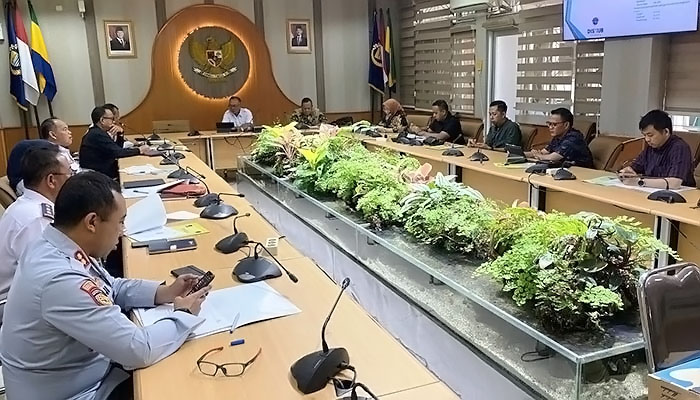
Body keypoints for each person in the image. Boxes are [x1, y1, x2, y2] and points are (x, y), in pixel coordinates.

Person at [0, 171, 210, 400]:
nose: (122, 231)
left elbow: (110, 287)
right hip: (80, 392)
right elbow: (138, 350)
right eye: (120, 222)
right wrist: (183, 314)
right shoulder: (60, 279)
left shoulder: (55, 243)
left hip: (86, 375)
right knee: (188, 380)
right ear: (92, 222)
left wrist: (164, 292)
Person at [0, 143, 71, 321]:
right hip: (11, 305)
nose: (73, 180)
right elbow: (45, 277)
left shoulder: (27, 205)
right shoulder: (37, 219)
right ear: (51, 180)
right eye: (69, 174)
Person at [618, 110, 695, 189]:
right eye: (644, 135)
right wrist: (627, 173)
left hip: (680, 194)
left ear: (666, 132)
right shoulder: (651, 148)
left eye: (650, 135)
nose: (647, 139)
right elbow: (635, 168)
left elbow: (674, 183)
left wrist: (640, 182)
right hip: (652, 191)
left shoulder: (680, 148)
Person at [79, 106, 149, 179]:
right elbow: (118, 152)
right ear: (102, 120)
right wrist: (139, 150)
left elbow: (117, 148)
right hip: (96, 176)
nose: (114, 122)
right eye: (112, 119)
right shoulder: (97, 134)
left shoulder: (99, 132)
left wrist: (120, 133)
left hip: (102, 170)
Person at [525, 108, 593, 168]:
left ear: (566, 125)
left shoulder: (573, 138)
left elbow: (552, 158)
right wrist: (523, 154)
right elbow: (544, 152)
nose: (550, 127)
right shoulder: (558, 137)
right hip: (565, 171)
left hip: (582, 173)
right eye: (549, 124)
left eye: (554, 124)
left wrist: (537, 155)